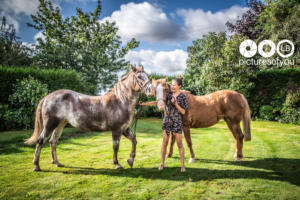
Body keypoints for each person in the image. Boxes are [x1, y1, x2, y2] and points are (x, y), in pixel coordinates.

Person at [140, 77, 188, 172]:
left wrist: (176, 104)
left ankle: (182, 166)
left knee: (179, 144)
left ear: (179, 86)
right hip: (167, 120)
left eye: (174, 85)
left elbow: (183, 112)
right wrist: (144, 104)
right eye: (172, 84)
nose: (172, 86)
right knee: (164, 143)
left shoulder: (182, 96)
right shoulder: (168, 94)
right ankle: (162, 164)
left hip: (177, 121)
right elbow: (157, 102)